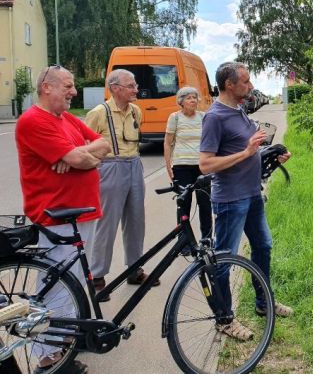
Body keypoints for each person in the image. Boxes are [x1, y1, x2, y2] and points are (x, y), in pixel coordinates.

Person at [15, 65, 111, 373]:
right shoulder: (34, 120)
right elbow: (81, 158)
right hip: (57, 215)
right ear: (47, 87)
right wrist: (81, 157)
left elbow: (104, 144)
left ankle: (67, 338)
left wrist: (79, 155)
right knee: (57, 285)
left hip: (81, 212)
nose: (74, 91)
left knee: (75, 282)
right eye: (68, 86)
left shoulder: (66, 118)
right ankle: (48, 357)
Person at [199, 62, 292, 341]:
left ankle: (264, 302)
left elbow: (248, 148)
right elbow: (206, 164)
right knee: (224, 261)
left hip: (252, 195)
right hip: (230, 200)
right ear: (229, 85)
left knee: (263, 246)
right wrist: (247, 152)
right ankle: (225, 319)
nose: (250, 86)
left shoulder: (239, 110)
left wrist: (270, 155)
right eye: (246, 81)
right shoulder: (214, 117)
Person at [86, 69, 159, 299]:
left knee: (137, 221)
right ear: (115, 88)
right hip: (110, 167)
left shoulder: (136, 111)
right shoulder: (99, 113)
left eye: (135, 85)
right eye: (131, 86)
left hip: (134, 164)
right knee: (107, 223)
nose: (136, 89)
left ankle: (135, 270)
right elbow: (85, 145)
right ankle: (97, 277)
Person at [164, 86, 212, 242]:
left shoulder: (203, 117)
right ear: (181, 101)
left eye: (194, 97)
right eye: (188, 98)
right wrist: (168, 166)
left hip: (202, 166)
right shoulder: (175, 118)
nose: (193, 100)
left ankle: (206, 240)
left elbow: (211, 140)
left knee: (205, 203)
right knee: (184, 203)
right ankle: (184, 242)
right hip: (181, 167)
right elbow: (167, 143)